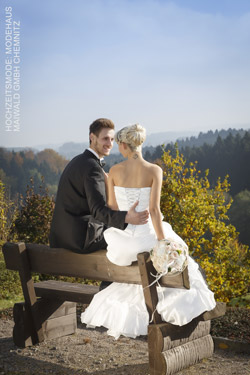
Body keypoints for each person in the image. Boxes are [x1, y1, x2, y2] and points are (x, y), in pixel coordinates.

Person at [81, 124, 216, 339]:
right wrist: (163, 242)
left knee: (139, 260)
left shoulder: (114, 171)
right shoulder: (155, 170)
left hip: (122, 244)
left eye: (119, 145)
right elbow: (154, 210)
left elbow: (114, 209)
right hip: (145, 237)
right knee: (184, 260)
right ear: (140, 144)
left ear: (124, 145)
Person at [49, 118, 149, 254]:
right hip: (82, 239)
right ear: (92, 137)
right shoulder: (92, 167)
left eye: (112, 140)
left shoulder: (78, 160)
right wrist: (127, 217)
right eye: (105, 139)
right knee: (133, 236)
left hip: (61, 238)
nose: (109, 144)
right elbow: (98, 211)